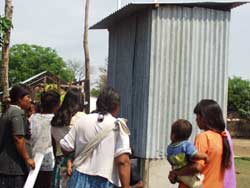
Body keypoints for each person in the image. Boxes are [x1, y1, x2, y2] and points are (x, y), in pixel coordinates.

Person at [60, 87, 131, 188]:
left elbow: (65, 147)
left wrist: (74, 155)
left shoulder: (82, 120)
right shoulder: (118, 126)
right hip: (105, 182)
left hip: (78, 180)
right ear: (116, 106)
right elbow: (122, 161)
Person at [169, 99, 232, 188]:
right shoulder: (222, 138)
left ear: (204, 118)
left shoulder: (203, 137)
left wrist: (176, 173)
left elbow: (197, 167)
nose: (196, 119)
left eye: (198, 116)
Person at [0, 84, 35, 188]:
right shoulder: (16, 113)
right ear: (19, 99)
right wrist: (27, 158)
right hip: (13, 169)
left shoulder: (9, 111)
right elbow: (18, 138)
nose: (30, 100)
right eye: (28, 97)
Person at [51, 88, 85, 188]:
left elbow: (54, 144)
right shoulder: (82, 118)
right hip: (77, 164)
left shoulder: (55, 119)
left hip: (60, 163)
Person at [29, 90, 60, 188]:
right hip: (49, 163)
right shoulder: (56, 120)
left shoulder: (32, 118)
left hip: (32, 161)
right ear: (56, 105)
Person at [166, 119, 208, 188]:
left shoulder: (169, 148)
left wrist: (175, 172)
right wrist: (204, 156)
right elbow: (194, 155)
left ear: (173, 135)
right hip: (187, 174)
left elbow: (169, 159)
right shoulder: (186, 145)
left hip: (178, 174)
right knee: (198, 185)